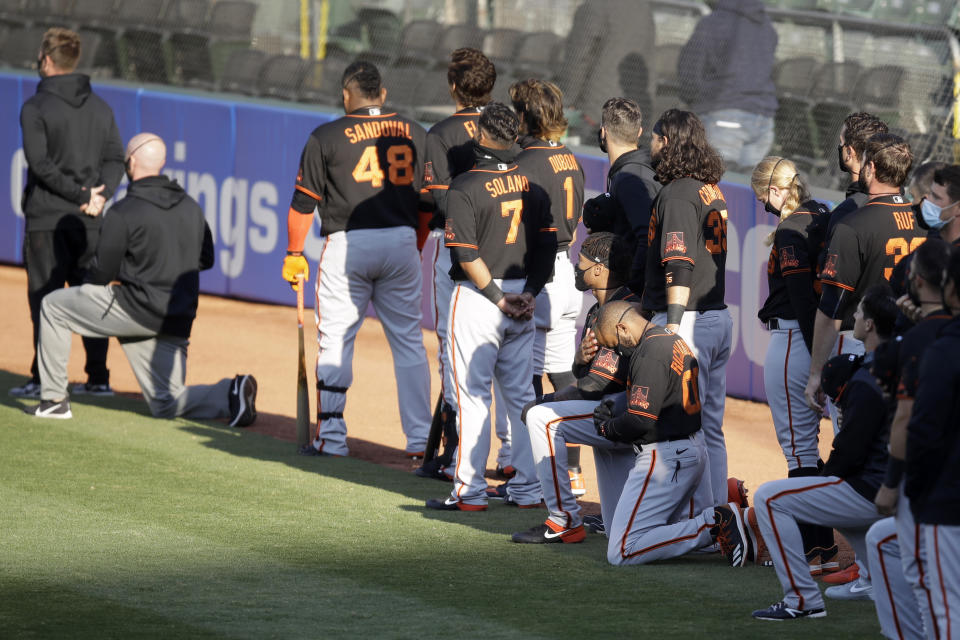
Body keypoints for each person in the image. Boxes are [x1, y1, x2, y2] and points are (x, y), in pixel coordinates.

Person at [22, 133, 256, 426]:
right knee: (166, 403)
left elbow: (101, 275)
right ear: (162, 164)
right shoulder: (191, 207)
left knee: (54, 305)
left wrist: (130, 276)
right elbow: (206, 259)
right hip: (177, 317)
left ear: (131, 162)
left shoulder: (124, 211)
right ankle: (229, 393)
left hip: (136, 308)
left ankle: (54, 400)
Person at [282, 60, 432, 458]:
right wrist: (413, 245)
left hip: (348, 245)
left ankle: (332, 439)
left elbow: (302, 205)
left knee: (336, 339)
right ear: (382, 94)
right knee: (409, 344)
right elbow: (428, 205)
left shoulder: (327, 135)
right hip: (401, 241)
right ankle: (420, 440)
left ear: (346, 95)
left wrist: (295, 253)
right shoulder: (417, 131)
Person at [424, 103, 556, 511]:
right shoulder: (533, 185)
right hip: (524, 298)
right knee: (519, 396)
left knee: (472, 395)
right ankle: (527, 489)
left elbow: (465, 254)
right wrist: (530, 291)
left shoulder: (465, 186)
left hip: (482, 299)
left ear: (481, 136)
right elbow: (547, 246)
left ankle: (470, 491)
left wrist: (498, 298)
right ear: (514, 138)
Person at [751, 284, 898, 621]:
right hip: (902, 489)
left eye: (860, 311)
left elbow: (850, 453)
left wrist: (825, 477)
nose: (855, 316)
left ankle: (802, 599)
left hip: (873, 490)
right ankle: (875, 580)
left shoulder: (867, 379)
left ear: (871, 325)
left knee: (770, 498)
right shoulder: (905, 364)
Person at [582, 301, 748, 566]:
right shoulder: (670, 339)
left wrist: (607, 427)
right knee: (638, 532)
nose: (616, 352)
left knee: (622, 550)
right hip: (688, 450)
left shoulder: (650, 352)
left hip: (667, 459)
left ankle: (714, 523)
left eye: (613, 344)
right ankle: (734, 522)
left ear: (622, 327)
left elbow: (640, 421)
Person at [11, 27, 124, 400]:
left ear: (46, 60)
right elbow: (115, 159)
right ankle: (98, 378)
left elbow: (39, 163)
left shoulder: (35, 107)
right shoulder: (101, 107)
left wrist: (79, 195)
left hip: (48, 220)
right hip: (91, 220)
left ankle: (45, 380)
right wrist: (98, 197)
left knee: (45, 300)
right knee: (91, 298)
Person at [512, 232, 637, 542]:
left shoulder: (622, 311)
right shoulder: (602, 308)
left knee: (543, 417)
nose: (576, 269)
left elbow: (594, 386)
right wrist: (580, 361)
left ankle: (563, 518)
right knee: (620, 528)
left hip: (629, 414)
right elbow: (587, 375)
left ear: (599, 269)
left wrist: (546, 400)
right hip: (614, 412)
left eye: (580, 264)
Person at [642, 108, 733, 507]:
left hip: (689, 319)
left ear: (668, 141)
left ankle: (695, 521)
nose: (651, 143)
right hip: (714, 316)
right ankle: (717, 519)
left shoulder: (678, 193)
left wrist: (672, 327)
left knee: (684, 427)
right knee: (709, 428)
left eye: (656, 137)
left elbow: (679, 264)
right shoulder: (708, 187)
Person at [751, 156, 836, 571]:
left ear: (778, 190)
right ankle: (823, 547)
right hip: (829, 336)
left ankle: (815, 552)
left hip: (796, 341)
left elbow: (803, 301)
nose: (762, 203)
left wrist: (816, 364)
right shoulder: (821, 210)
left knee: (800, 452)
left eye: (762, 194)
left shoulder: (789, 230)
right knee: (818, 447)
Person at [804, 134, 925, 423]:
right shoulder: (925, 222)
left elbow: (832, 306)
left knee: (856, 441)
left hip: (860, 344)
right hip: (911, 343)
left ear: (869, 168)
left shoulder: (853, 225)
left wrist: (816, 372)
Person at [417, 47, 497, 481]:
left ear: (453, 87)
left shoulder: (442, 131)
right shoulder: (509, 125)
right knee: (511, 359)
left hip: (458, 253)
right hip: (506, 251)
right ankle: (509, 457)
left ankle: (454, 452)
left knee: (453, 350)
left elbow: (439, 199)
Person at [868, 239, 953, 640]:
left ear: (918, 282)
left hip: (935, 488)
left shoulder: (921, 344)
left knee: (932, 589)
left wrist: (892, 484)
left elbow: (905, 418)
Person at [509, 78, 586, 494]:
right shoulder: (570, 157)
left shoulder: (525, 160)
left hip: (536, 277)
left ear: (525, 115)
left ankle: (534, 473)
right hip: (567, 273)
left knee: (526, 379)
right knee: (562, 377)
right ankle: (571, 472)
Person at [904, 245, 960, 638]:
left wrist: (917, 493)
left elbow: (921, 432)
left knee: (947, 615)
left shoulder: (943, 350)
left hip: (948, 503)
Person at [677, 0, 778, 172]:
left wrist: (694, 100)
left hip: (725, 114)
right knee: (750, 188)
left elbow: (690, 68)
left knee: (714, 181)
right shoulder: (766, 26)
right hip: (763, 117)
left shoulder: (714, 23)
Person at [582, 97, 660, 295]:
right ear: (640, 132)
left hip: (639, 295)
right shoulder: (637, 167)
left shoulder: (629, 178)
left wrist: (629, 290)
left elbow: (648, 238)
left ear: (603, 132)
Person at [561, 0, 655, 138]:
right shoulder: (644, 8)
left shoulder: (595, 7)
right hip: (633, 114)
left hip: (595, 112)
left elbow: (578, 57)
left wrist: (567, 99)